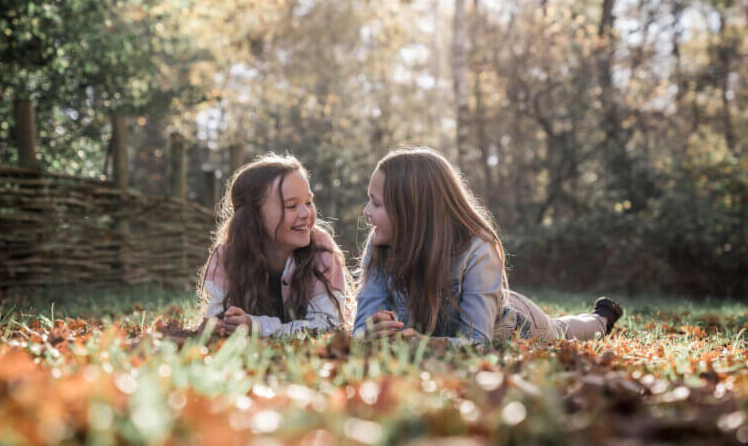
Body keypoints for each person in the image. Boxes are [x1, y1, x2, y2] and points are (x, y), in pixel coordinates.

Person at [353, 147, 623, 345]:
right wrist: (369, 332)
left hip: (511, 323)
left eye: (376, 203)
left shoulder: (476, 248)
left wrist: (423, 345)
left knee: (561, 331)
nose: (366, 211)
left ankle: (601, 319)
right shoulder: (380, 245)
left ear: (412, 212)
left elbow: (477, 342)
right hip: (481, 305)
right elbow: (361, 331)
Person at [199, 153, 350, 337]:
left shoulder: (321, 251)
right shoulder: (228, 255)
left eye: (308, 202)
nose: (305, 213)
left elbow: (328, 325)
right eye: (291, 206)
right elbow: (215, 319)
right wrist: (221, 325)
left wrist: (257, 327)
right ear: (254, 216)